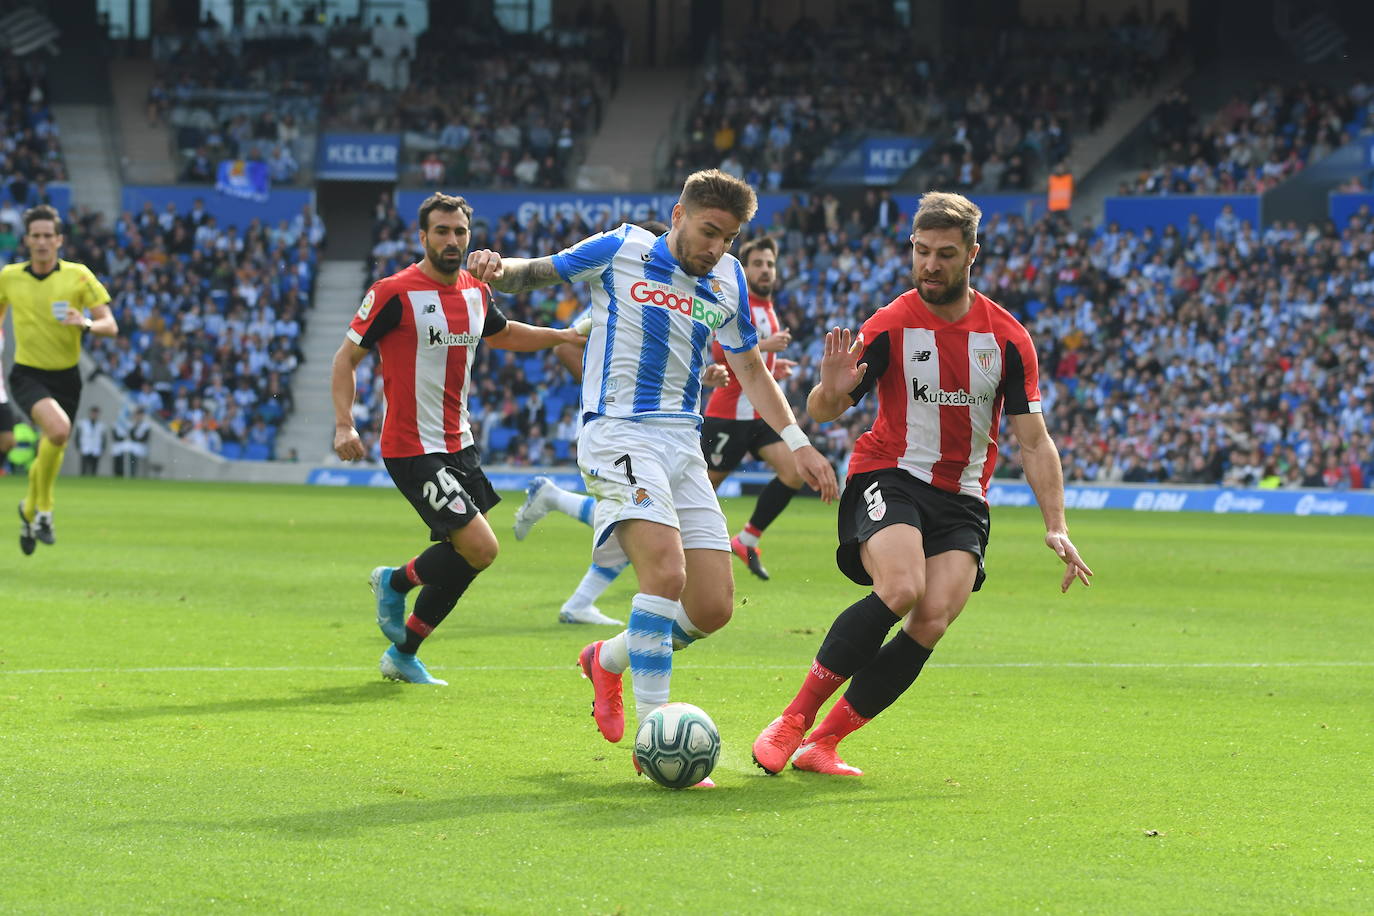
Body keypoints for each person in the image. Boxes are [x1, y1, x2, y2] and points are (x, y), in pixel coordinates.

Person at [467, 170, 839, 775]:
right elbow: (535, 271)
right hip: (617, 431)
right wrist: (492, 266)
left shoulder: (729, 279)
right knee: (664, 574)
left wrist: (797, 442)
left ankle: (607, 660)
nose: (717, 247)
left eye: (730, 237)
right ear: (677, 215)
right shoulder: (621, 249)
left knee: (713, 605)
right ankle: (654, 735)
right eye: (709, 231)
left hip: (683, 443)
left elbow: (749, 368)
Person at [750, 192, 1093, 777]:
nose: (929, 265)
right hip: (890, 473)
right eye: (921, 251)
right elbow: (825, 410)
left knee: (933, 618)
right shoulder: (888, 325)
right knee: (902, 587)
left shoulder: (1009, 340)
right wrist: (830, 389)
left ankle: (824, 744)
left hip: (962, 498)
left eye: (944, 254)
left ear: (971, 256)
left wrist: (1056, 525)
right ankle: (794, 719)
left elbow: (1033, 441)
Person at [331, 192, 585, 686]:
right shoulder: (393, 292)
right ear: (422, 236)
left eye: (460, 232)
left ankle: (404, 652)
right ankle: (395, 580)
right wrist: (344, 423)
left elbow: (504, 333)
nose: (452, 240)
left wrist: (561, 335)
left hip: (459, 444)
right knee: (482, 548)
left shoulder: (474, 290)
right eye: (442, 231)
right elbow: (346, 359)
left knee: (469, 557)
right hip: (412, 446)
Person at [0, 205, 117, 555]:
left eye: (48, 236)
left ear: (59, 240)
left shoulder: (78, 276)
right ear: (27, 240)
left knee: (54, 443)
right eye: (35, 235)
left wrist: (84, 324)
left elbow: (110, 325)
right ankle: (45, 511)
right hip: (27, 373)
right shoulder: (9, 277)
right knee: (59, 430)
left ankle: (29, 508)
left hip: (67, 376)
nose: (41, 242)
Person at [700, 235, 804, 580]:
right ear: (744, 268)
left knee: (794, 471)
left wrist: (775, 364)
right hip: (728, 415)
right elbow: (719, 350)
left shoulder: (768, 306)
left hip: (758, 414)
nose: (765, 270)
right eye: (757, 263)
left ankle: (746, 540)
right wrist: (765, 344)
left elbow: (755, 364)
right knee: (701, 491)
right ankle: (670, 554)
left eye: (769, 264)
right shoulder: (735, 300)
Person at [76, 406, 107, 475]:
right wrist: (78, 447)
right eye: (93, 413)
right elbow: (77, 437)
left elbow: (104, 439)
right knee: (84, 469)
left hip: (96, 449)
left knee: (94, 469)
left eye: (96, 413)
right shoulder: (82, 424)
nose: (94, 415)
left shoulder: (101, 425)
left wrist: (102, 449)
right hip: (85, 448)